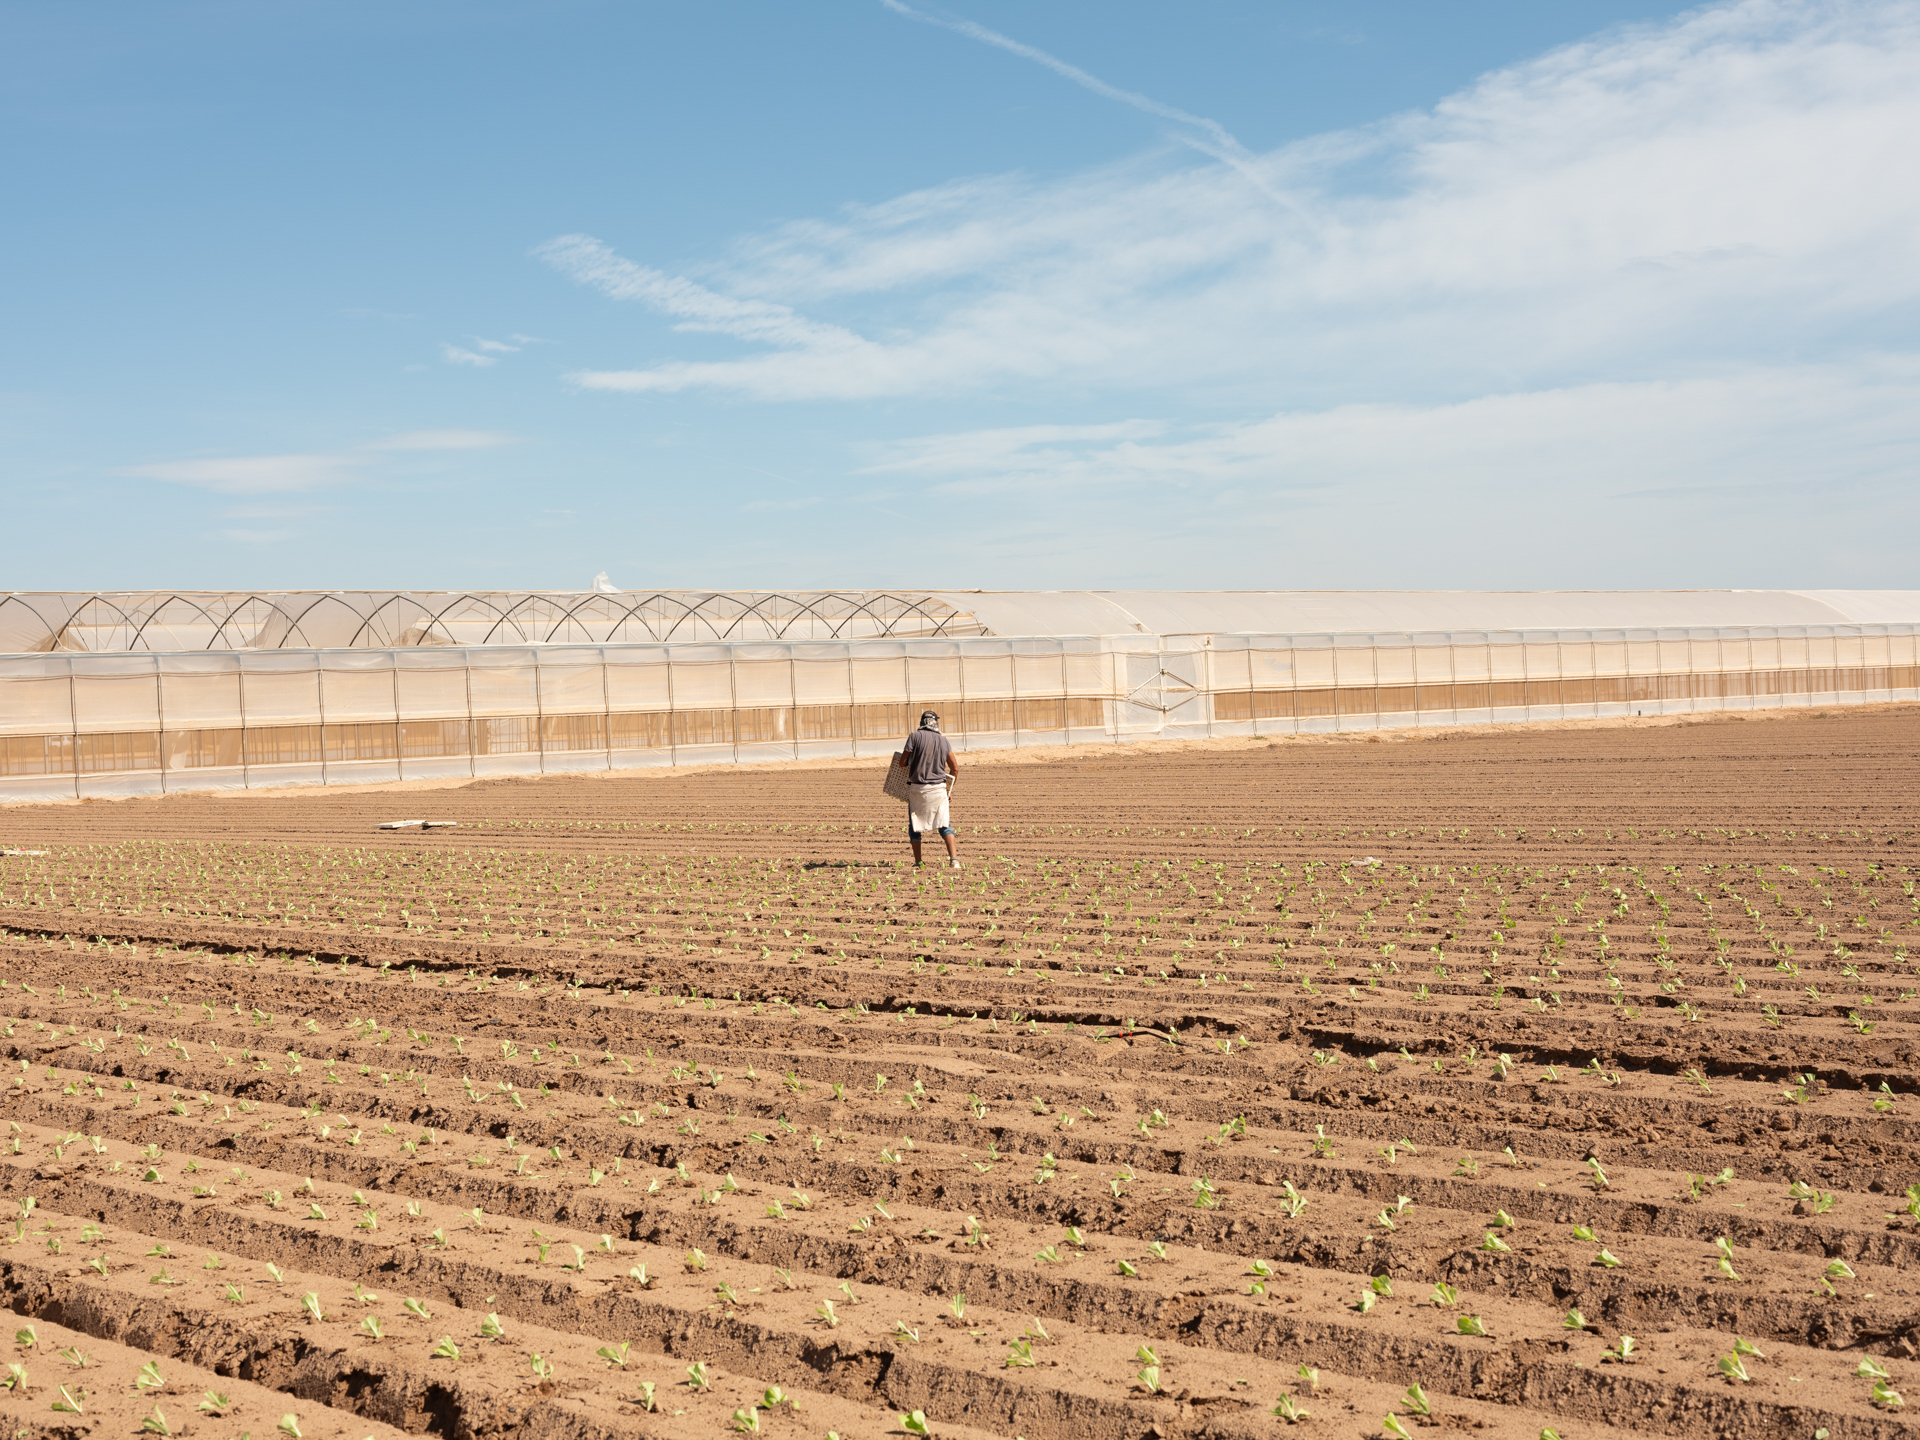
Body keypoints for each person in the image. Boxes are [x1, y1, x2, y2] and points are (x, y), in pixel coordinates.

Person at [895, 710, 961, 869]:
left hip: (918, 790)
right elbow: (955, 769)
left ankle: (918, 863)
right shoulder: (943, 741)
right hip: (938, 790)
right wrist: (948, 791)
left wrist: (916, 760)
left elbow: (902, 763)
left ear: (922, 722)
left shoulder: (914, 737)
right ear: (936, 723)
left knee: (914, 827)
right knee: (945, 825)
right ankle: (954, 861)